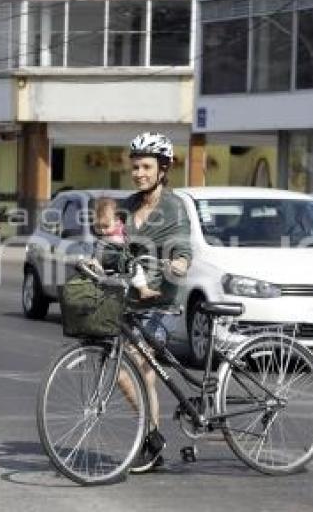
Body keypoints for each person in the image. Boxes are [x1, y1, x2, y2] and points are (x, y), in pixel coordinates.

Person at [119, 132, 192, 473]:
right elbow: (115, 247)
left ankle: (151, 443)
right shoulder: (128, 205)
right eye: (135, 167)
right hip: (130, 302)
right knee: (126, 372)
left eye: (147, 166)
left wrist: (178, 264)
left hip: (162, 304)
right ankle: (152, 437)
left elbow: (183, 250)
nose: (139, 173)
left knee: (139, 368)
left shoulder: (174, 207)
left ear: (163, 170)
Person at [92, 197, 159, 300]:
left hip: (121, 266)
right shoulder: (102, 241)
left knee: (135, 266)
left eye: (106, 226)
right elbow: (103, 255)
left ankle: (140, 290)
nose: (102, 231)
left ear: (116, 221)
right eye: (98, 226)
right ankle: (143, 290)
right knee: (134, 266)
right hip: (115, 263)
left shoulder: (125, 230)